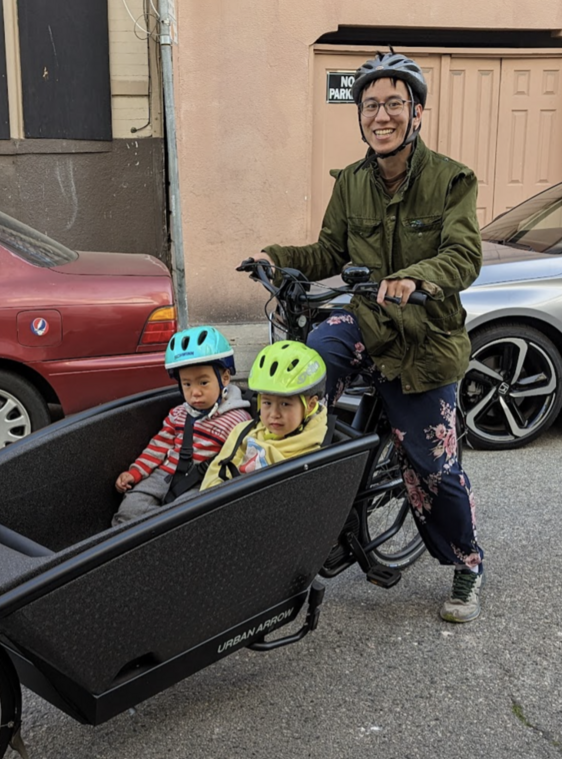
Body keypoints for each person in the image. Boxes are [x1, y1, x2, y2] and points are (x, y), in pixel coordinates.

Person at [258, 50, 484, 623]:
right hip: (365, 320)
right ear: (360, 115)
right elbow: (328, 252)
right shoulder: (352, 182)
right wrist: (276, 259)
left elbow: (464, 254)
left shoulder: (451, 180)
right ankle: (306, 490)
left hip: (425, 339)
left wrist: (418, 278)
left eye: (393, 104)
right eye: (370, 106)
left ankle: (466, 562)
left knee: (433, 468)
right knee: (303, 370)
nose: (381, 116)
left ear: (417, 112)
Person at [112, 325, 252, 525]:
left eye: (203, 383)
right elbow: (158, 447)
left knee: (182, 520)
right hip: (165, 474)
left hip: (201, 483)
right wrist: (135, 472)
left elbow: (241, 459)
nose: (195, 392)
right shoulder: (179, 414)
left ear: (225, 378)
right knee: (131, 508)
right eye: (187, 384)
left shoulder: (238, 419)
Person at [200, 341, 327, 490]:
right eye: (267, 403)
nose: (274, 414)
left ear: (310, 405)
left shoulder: (315, 453)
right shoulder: (243, 432)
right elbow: (216, 474)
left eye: (285, 404)